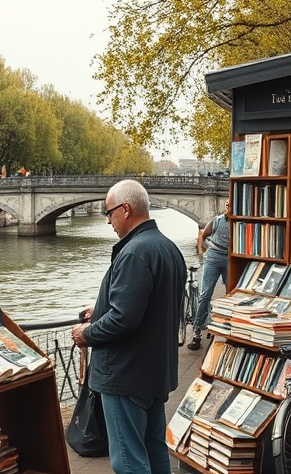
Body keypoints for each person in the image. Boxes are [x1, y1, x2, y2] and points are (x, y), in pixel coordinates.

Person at [71, 179, 186, 474]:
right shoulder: (168, 249)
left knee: (128, 460)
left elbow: (124, 319)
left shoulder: (135, 252)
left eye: (108, 213)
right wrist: (99, 310)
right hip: (153, 370)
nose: (108, 220)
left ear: (125, 209)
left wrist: (87, 333)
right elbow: (151, 305)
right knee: (155, 449)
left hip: (125, 374)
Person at [188, 199, 230, 351]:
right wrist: (201, 251)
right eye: (227, 206)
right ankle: (196, 333)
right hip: (213, 257)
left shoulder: (240, 222)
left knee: (230, 295)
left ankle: (223, 327)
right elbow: (203, 234)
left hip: (229, 258)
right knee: (205, 295)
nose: (228, 208)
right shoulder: (217, 221)